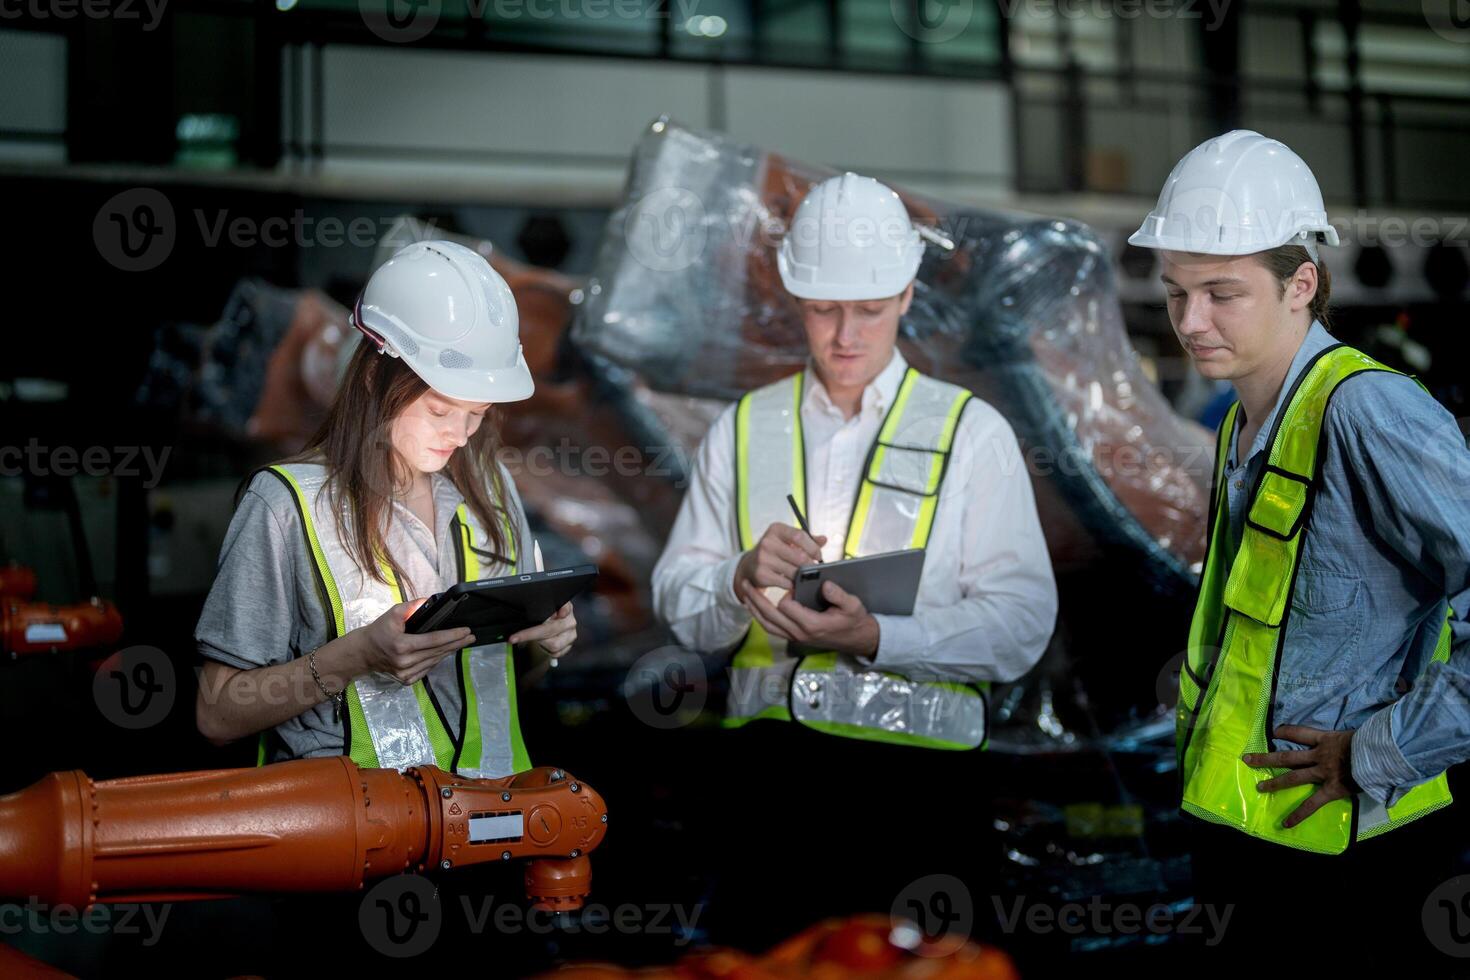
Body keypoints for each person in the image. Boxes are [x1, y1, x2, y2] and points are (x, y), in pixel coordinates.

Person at [651, 172, 1057, 941]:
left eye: (869, 311)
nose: (845, 335)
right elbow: (678, 597)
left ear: (906, 295)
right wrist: (735, 576)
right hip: (770, 795)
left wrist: (878, 639)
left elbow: (1021, 623)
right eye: (823, 310)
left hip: (919, 801)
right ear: (793, 300)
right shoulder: (743, 428)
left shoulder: (971, 433)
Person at [1130, 130, 1470, 966]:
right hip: (1250, 832)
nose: (1190, 322)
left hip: (1358, 857)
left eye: (1221, 293)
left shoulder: (1368, 413)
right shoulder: (1244, 422)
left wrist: (1381, 751)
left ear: (1301, 285)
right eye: (1176, 293)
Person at [194, 240, 576, 776]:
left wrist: (543, 642)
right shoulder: (285, 506)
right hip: (355, 843)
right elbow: (216, 711)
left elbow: (501, 682)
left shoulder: (491, 489)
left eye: (478, 413)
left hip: (490, 831)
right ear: (376, 377)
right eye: (441, 408)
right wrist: (355, 658)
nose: (461, 435)